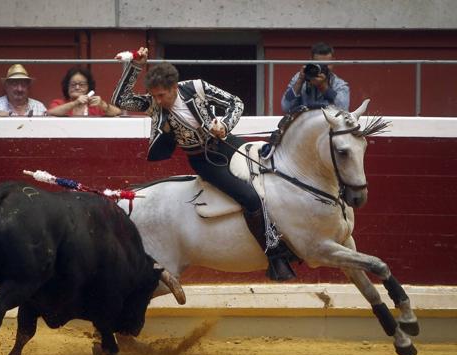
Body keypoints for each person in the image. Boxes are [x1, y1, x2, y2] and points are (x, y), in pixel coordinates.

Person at [112, 47, 295, 281]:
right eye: (154, 95)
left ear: (174, 88)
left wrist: (225, 125)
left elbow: (235, 103)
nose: (157, 101)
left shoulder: (196, 88)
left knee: (272, 177)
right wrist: (135, 66)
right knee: (249, 197)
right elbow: (120, 100)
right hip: (203, 160)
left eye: (162, 95)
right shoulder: (154, 105)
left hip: (228, 143)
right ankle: (275, 255)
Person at [281, 42, 349, 113]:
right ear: (311, 61)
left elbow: (344, 109)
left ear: (333, 62)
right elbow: (285, 107)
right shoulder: (300, 78)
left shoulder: (339, 84)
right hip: (304, 121)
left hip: (327, 122)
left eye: (326, 64)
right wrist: (300, 81)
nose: (322, 68)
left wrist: (324, 88)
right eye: (319, 64)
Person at [47, 67, 121, 117]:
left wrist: (103, 105)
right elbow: (50, 113)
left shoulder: (94, 105)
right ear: (67, 86)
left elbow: (117, 112)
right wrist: (75, 103)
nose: (77, 87)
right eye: (73, 84)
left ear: (88, 87)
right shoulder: (59, 103)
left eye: (81, 84)